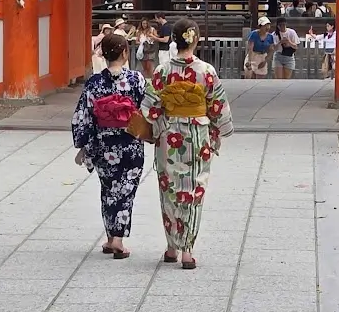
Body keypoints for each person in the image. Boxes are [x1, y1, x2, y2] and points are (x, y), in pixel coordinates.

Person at [141, 18, 232, 269]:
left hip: (169, 135)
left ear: (173, 40)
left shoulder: (162, 71)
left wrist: (160, 124)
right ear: (197, 40)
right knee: (193, 188)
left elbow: (149, 107)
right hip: (197, 134)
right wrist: (216, 132)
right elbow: (217, 107)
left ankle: (171, 246)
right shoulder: (207, 71)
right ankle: (187, 251)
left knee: (168, 188)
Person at [71, 29, 147, 257]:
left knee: (107, 190)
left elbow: (83, 116)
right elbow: (149, 108)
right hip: (130, 143)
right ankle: (118, 241)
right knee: (125, 191)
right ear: (125, 52)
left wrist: (83, 145)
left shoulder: (94, 83)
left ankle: (110, 237)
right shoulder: (136, 80)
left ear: (103, 54)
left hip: (103, 145)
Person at [273, 15, 300, 80]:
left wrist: (289, 42)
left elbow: (296, 46)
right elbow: (274, 48)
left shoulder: (291, 32)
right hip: (278, 56)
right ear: (278, 26)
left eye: (284, 25)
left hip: (289, 56)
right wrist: (280, 42)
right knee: (278, 79)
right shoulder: (274, 34)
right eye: (280, 25)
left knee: (286, 79)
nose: (282, 27)